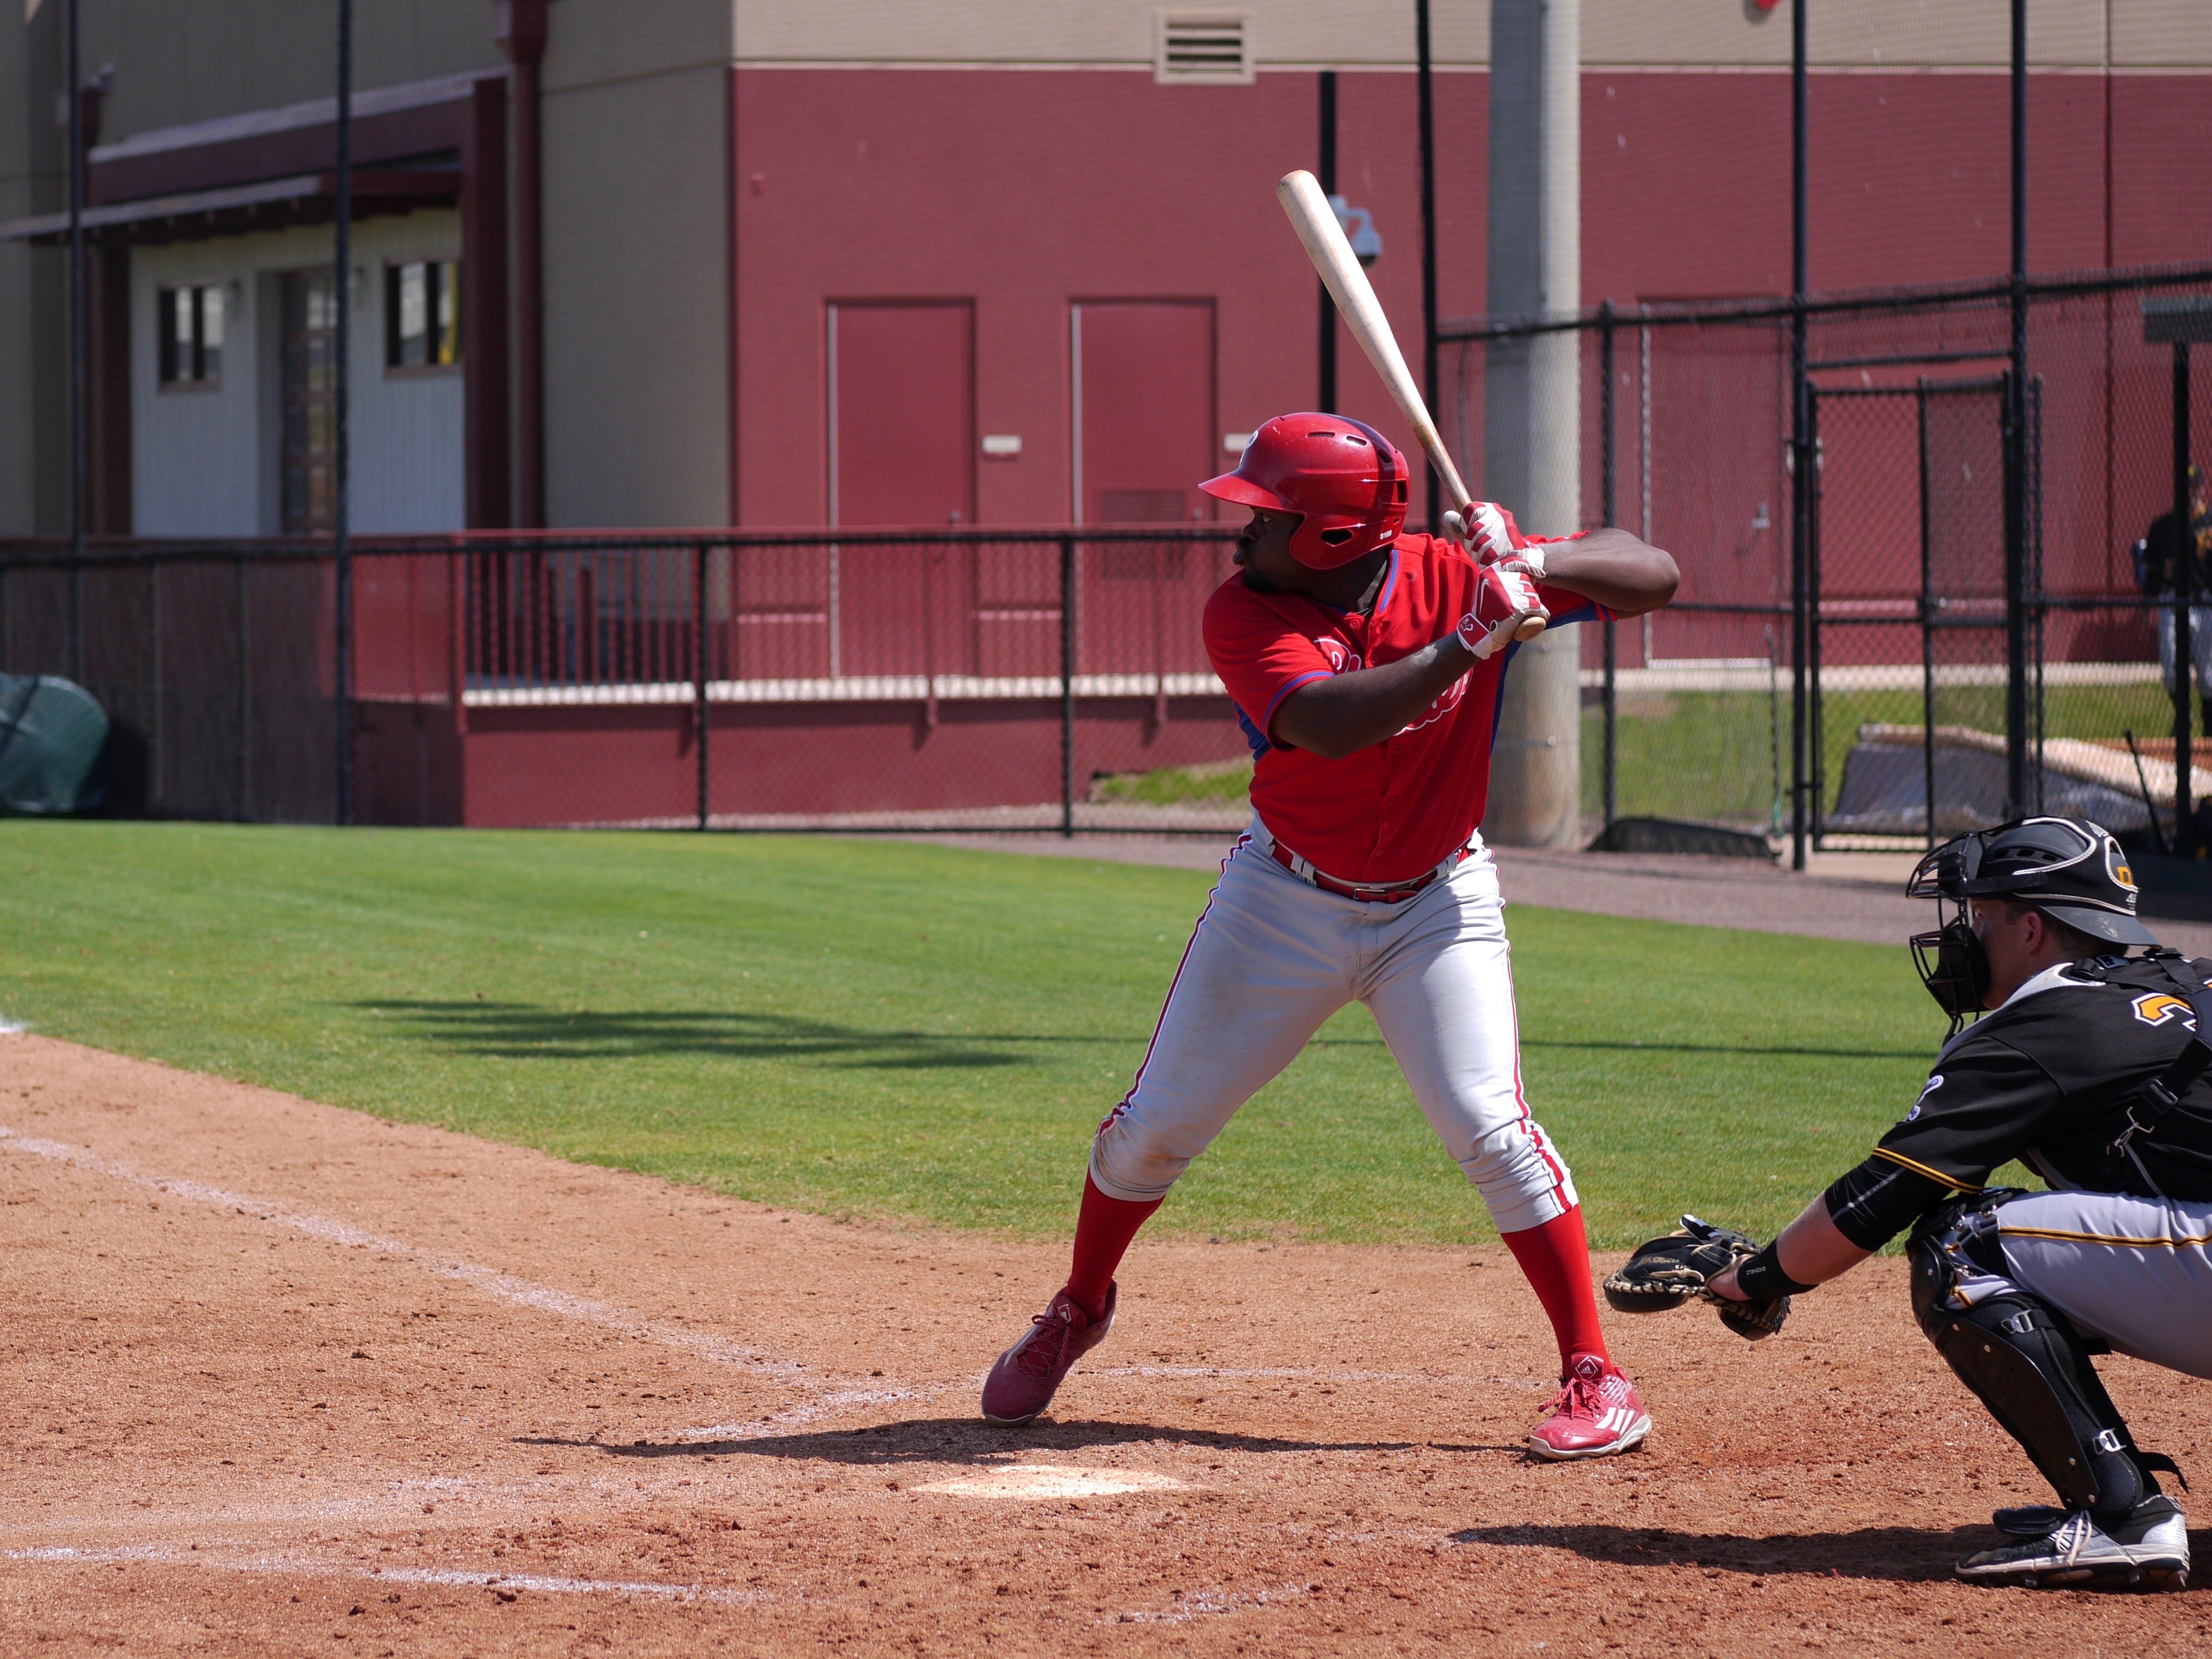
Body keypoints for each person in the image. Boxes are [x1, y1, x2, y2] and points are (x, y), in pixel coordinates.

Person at [978, 412, 1680, 1458]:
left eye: (1264, 516)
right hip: (1282, 898)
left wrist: (1534, 561)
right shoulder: (1242, 609)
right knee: (1150, 1130)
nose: (1240, 531)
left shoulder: (1456, 572)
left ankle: (1596, 1373)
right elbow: (1330, 723)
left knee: (1492, 1130)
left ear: (1335, 535)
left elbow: (1653, 574)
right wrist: (1473, 634)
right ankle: (1078, 1306)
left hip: (1436, 902)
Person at [1698, 816, 2210, 1589]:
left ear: (2029, 929)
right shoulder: (2188, 980)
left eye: (1978, 916)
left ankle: (2123, 1517)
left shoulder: (2044, 1023)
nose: (1960, 938)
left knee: (1962, 1243)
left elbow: (1887, 1194)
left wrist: (1755, 1277)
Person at [2134, 462, 2212, 734]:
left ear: (2203, 488)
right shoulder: (2163, 527)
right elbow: (2153, 575)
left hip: (2204, 604)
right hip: (2171, 602)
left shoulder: (2209, 524)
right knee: (2170, 672)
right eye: (2186, 487)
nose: (2191, 492)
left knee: (2209, 677)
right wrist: (2145, 613)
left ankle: (2209, 731)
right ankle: (2183, 716)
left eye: (2195, 486)